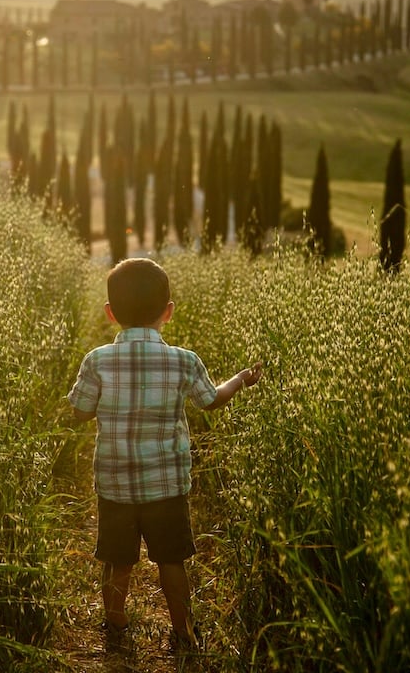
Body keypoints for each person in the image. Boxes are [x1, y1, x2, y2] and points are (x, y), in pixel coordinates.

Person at [67, 258, 263, 652]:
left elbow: (80, 411)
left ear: (110, 313)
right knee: (173, 560)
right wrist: (240, 380)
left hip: (116, 484)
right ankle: (184, 631)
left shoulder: (98, 361)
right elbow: (211, 401)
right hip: (168, 487)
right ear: (168, 312)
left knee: (117, 560)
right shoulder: (184, 361)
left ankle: (115, 625)